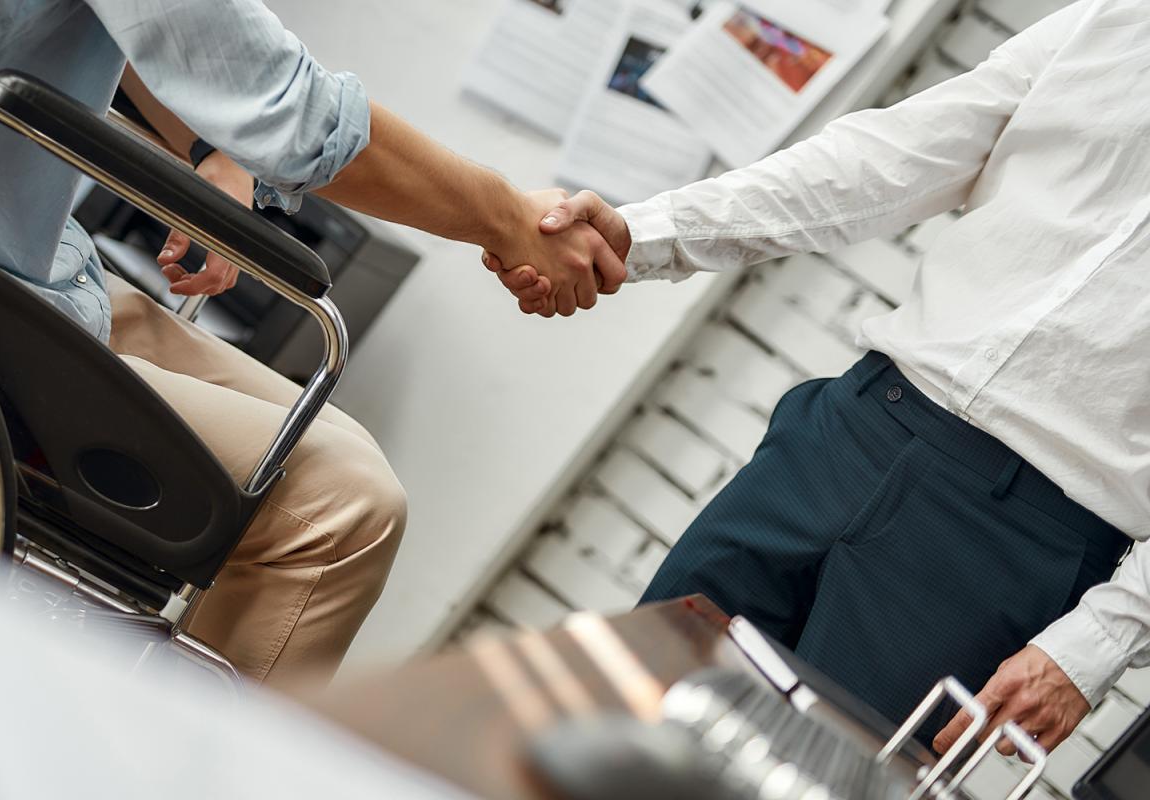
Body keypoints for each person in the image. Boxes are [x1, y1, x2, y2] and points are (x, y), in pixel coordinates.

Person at [0, 0, 623, 685]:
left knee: (337, 446)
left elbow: (129, 29)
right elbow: (300, 115)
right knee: (342, 514)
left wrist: (210, 151)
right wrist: (507, 219)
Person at [492, 0, 1149, 754]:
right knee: (612, 732)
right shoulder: (1118, 21)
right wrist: (641, 234)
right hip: (851, 434)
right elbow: (887, 161)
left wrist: (1097, 642)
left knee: (806, 781)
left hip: (1013, 546)